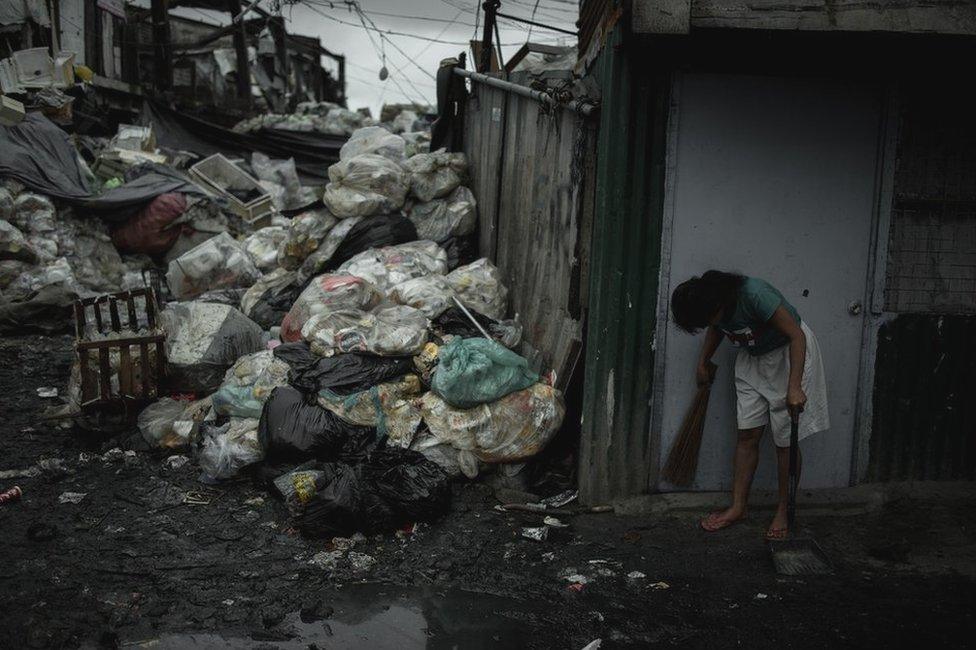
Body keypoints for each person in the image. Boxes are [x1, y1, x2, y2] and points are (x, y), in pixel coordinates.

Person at [670, 271, 829, 539]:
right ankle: (738, 506)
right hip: (753, 359)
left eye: (709, 317)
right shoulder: (713, 306)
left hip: (788, 356)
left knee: (784, 442)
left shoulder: (755, 294)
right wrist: (703, 361)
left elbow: (796, 336)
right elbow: (715, 327)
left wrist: (794, 386)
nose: (711, 322)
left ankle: (783, 510)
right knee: (747, 434)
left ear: (717, 304)